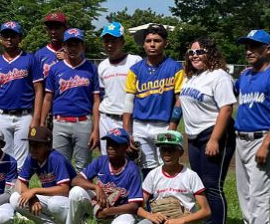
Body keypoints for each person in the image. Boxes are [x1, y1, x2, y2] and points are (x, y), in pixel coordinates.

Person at [179, 38, 236, 224]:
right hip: (194, 137)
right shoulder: (193, 77)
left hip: (214, 135)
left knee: (213, 185)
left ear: (210, 53)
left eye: (200, 52)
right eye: (191, 52)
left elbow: (226, 109)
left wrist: (214, 139)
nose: (194, 56)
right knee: (201, 186)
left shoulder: (219, 76)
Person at [233, 30, 270, 224]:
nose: (249, 50)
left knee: (259, 196)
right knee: (244, 194)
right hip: (240, 139)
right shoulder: (245, 76)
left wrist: (266, 144)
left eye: (255, 46)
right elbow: (230, 91)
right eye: (247, 46)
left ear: (268, 50)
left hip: (261, 139)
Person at [124, 131, 210, 224]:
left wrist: (181, 220)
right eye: (163, 150)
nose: (166, 154)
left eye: (172, 150)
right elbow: (136, 206)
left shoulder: (191, 176)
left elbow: (206, 211)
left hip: (180, 222)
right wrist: (150, 216)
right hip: (156, 221)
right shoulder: (153, 174)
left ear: (181, 152)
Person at [122, 24, 184, 177]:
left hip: (163, 125)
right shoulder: (135, 70)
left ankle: (166, 200)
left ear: (165, 43)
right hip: (140, 126)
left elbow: (179, 100)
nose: (152, 44)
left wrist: (172, 127)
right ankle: (150, 201)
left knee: (166, 167)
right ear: (143, 44)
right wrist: (126, 132)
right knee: (146, 168)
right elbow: (128, 102)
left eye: (157, 40)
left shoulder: (176, 68)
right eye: (148, 40)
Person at [9, 126, 87, 224]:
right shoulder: (32, 158)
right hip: (54, 199)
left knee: (54, 203)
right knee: (15, 199)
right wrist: (33, 198)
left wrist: (34, 190)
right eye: (31, 145)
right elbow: (20, 183)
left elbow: (64, 189)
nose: (33, 149)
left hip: (71, 205)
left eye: (38, 145)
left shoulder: (56, 158)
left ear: (48, 146)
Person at [69, 128, 143, 224]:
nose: (110, 147)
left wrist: (108, 211)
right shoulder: (101, 161)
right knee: (76, 191)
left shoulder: (132, 170)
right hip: (99, 208)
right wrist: (96, 187)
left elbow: (134, 206)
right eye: (109, 143)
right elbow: (75, 180)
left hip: (120, 213)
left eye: (115, 144)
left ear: (125, 146)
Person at [41, 28, 100, 172]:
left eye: (77, 44)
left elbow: (97, 100)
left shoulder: (91, 68)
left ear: (83, 46)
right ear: (64, 46)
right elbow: (48, 98)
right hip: (60, 122)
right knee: (59, 166)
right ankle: (60, 195)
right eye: (69, 44)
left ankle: (81, 195)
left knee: (83, 168)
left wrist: (95, 129)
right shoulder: (55, 69)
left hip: (83, 122)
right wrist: (42, 123)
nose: (73, 48)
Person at [0, 21, 43, 168]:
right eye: (6, 35)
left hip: (24, 116)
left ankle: (20, 190)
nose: (9, 39)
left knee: (21, 161)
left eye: (13, 35)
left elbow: (38, 89)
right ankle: (6, 190)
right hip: (1, 115)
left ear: (20, 38)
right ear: (1, 38)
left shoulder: (30, 59)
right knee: (4, 157)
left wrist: (36, 119)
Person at [97, 21, 141, 155]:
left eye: (114, 41)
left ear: (122, 42)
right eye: (106, 41)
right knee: (107, 160)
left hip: (128, 120)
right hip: (106, 118)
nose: (109, 45)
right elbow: (102, 95)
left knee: (129, 159)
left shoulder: (135, 61)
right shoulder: (102, 65)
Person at [34, 11, 67, 79]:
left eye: (57, 28)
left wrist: (69, 60)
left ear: (65, 29)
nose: (53, 32)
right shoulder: (39, 54)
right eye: (50, 28)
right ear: (46, 30)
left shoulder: (74, 53)